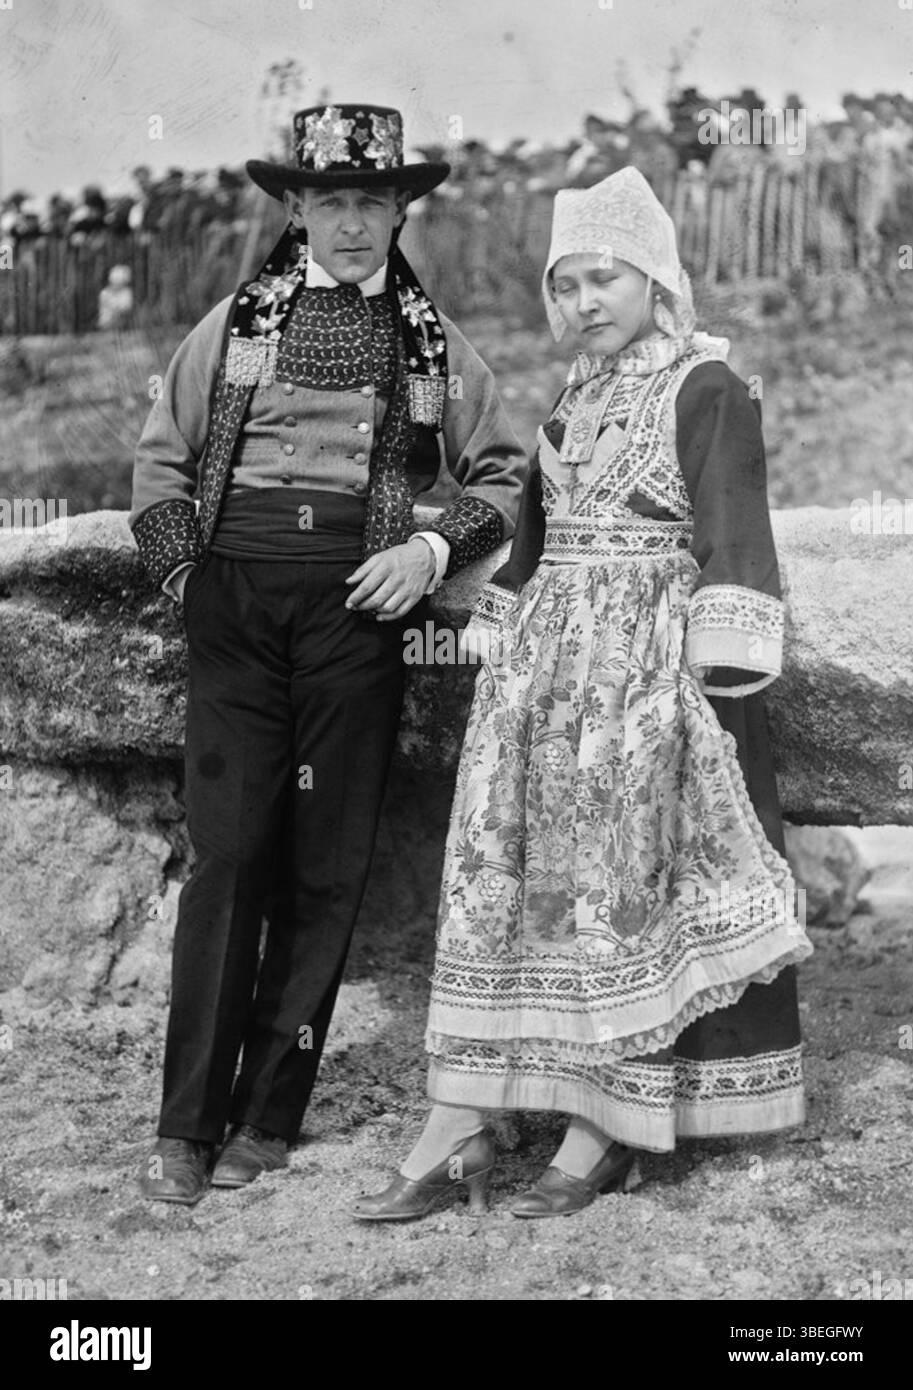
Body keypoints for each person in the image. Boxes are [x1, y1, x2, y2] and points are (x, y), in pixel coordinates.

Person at [353, 166, 813, 1223]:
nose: (584, 303)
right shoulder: (575, 392)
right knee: (510, 877)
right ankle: (461, 1115)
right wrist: (504, 642)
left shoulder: (709, 386)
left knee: (621, 886)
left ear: (656, 277)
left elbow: (735, 535)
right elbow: (533, 536)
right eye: (566, 285)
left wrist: (702, 688)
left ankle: (605, 1123)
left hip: (645, 671)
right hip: (550, 672)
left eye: (605, 278)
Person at [130, 102, 526, 1205]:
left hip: (358, 611)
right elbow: (160, 466)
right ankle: (183, 1124)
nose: (353, 224)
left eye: (372, 202)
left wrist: (430, 544)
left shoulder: (430, 342)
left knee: (327, 861)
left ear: (399, 210)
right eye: (331, 201)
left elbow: (501, 473)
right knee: (228, 852)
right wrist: (189, 581)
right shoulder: (234, 325)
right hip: (239, 610)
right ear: (295, 207)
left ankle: (268, 1113)